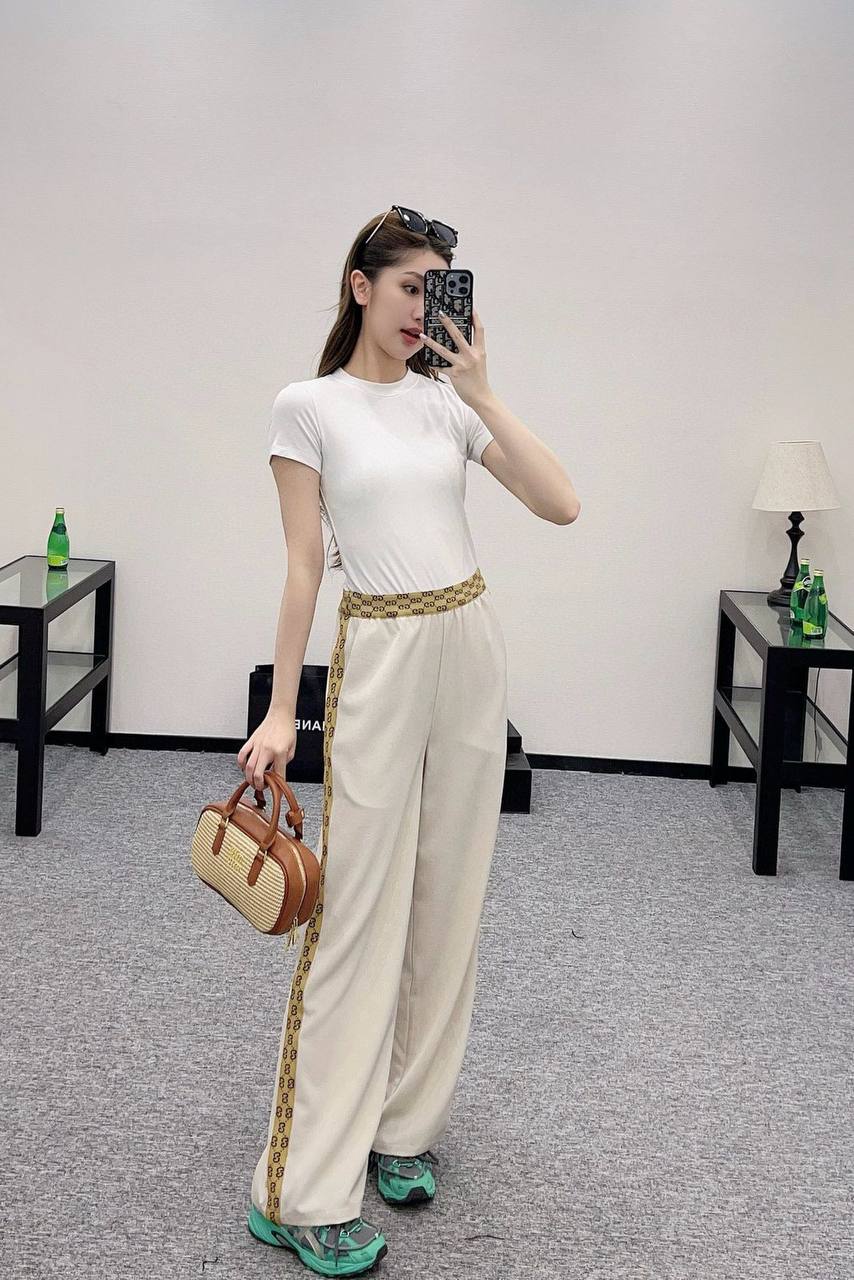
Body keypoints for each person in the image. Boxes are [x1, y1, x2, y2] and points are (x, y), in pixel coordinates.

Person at [236, 205, 581, 1275]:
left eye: (438, 291)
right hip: (380, 647)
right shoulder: (308, 407)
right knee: (354, 916)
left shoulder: (447, 403)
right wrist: (280, 708)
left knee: (448, 897)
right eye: (407, 288)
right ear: (360, 286)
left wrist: (482, 392)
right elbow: (304, 565)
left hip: (469, 640)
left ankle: (403, 1126)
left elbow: (562, 504)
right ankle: (299, 1190)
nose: (422, 309)